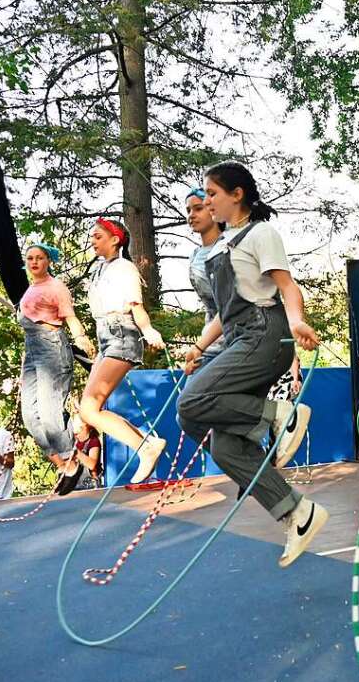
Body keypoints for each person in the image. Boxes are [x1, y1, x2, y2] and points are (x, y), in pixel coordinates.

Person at [179, 160, 325, 568]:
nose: (206, 202)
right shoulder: (222, 247)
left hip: (266, 334)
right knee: (217, 441)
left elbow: (286, 286)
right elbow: (224, 314)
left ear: (236, 194)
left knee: (191, 402)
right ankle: (297, 511)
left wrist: (296, 322)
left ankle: (283, 416)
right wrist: (198, 347)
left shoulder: (261, 234)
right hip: (239, 335)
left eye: (211, 194)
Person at [77, 218, 167, 486]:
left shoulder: (125, 268)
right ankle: (147, 442)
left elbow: (135, 306)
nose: (92, 241)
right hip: (106, 337)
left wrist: (148, 330)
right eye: (92, 237)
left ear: (115, 239)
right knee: (87, 410)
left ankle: (146, 446)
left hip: (121, 335)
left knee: (90, 409)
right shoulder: (101, 270)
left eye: (98, 236)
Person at [17, 243, 95, 494]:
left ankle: (72, 464)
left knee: (50, 414)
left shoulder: (55, 287)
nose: (34, 262)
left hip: (52, 349)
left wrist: (81, 338)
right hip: (32, 353)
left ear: (48, 261)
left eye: (39, 258)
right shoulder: (31, 288)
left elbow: (69, 316)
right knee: (30, 416)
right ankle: (64, 465)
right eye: (30, 258)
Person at [186, 188, 225, 370]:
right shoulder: (194, 255)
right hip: (209, 342)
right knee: (188, 397)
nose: (191, 215)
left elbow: (231, 305)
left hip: (235, 342)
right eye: (188, 211)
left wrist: (200, 346)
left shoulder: (228, 247)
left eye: (198, 208)